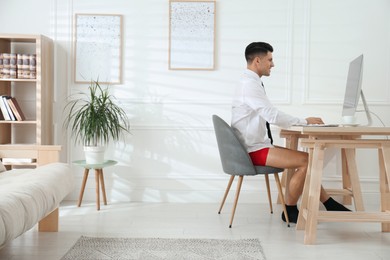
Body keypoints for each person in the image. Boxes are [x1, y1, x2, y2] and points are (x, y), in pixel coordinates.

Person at [231, 42, 350, 223]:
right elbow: (271, 115)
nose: (273, 64)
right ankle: (290, 210)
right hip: (252, 151)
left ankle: (329, 202)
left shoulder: (249, 83)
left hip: (254, 146)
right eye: (270, 59)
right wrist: (304, 121)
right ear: (257, 60)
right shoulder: (249, 85)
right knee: (307, 161)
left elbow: (268, 113)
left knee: (307, 160)